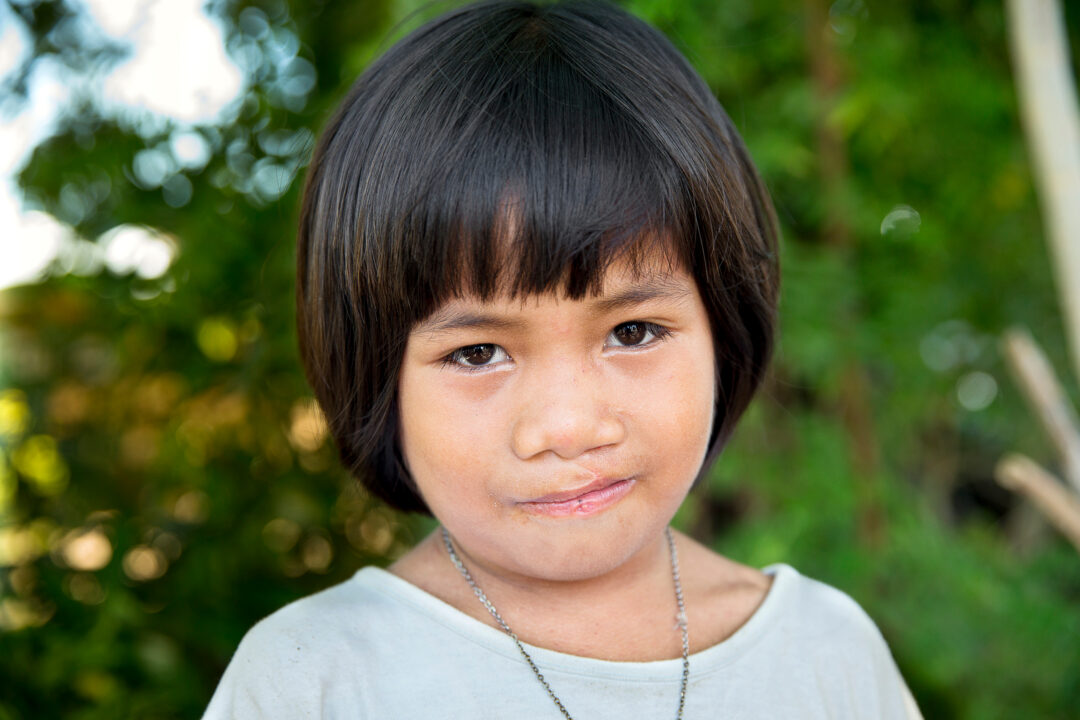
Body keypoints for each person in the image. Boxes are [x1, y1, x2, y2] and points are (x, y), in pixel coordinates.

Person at [203, 1, 923, 717]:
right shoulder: (311, 680)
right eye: (478, 352)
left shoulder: (824, 654)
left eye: (634, 332)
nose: (568, 426)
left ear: (725, 332)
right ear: (375, 374)